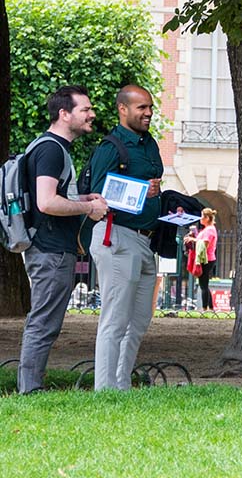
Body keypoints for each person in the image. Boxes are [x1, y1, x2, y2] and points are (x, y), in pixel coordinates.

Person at [18, 86, 108, 394]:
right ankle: (29, 390)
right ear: (64, 114)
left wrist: (82, 197)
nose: (91, 114)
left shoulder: (47, 147)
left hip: (48, 247)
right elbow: (46, 203)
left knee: (44, 320)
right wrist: (89, 208)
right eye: (85, 109)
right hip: (51, 249)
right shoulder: (52, 149)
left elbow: (53, 197)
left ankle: (30, 385)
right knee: (44, 322)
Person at [89, 85, 164, 391]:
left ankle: (121, 386)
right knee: (115, 321)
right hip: (118, 237)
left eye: (149, 107)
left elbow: (152, 185)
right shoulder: (111, 147)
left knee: (138, 322)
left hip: (146, 240)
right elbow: (96, 196)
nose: (147, 113)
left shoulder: (149, 144)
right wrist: (140, 191)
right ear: (123, 109)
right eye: (141, 108)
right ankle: (105, 390)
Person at [184, 208, 218, 310]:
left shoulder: (210, 230)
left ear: (207, 218)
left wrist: (192, 239)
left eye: (202, 216)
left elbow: (205, 244)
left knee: (203, 285)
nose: (200, 218)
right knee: (205, 284)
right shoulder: (207, 229)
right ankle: (211, 308)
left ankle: (204, 308)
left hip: (206, 259)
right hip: (207, 258)